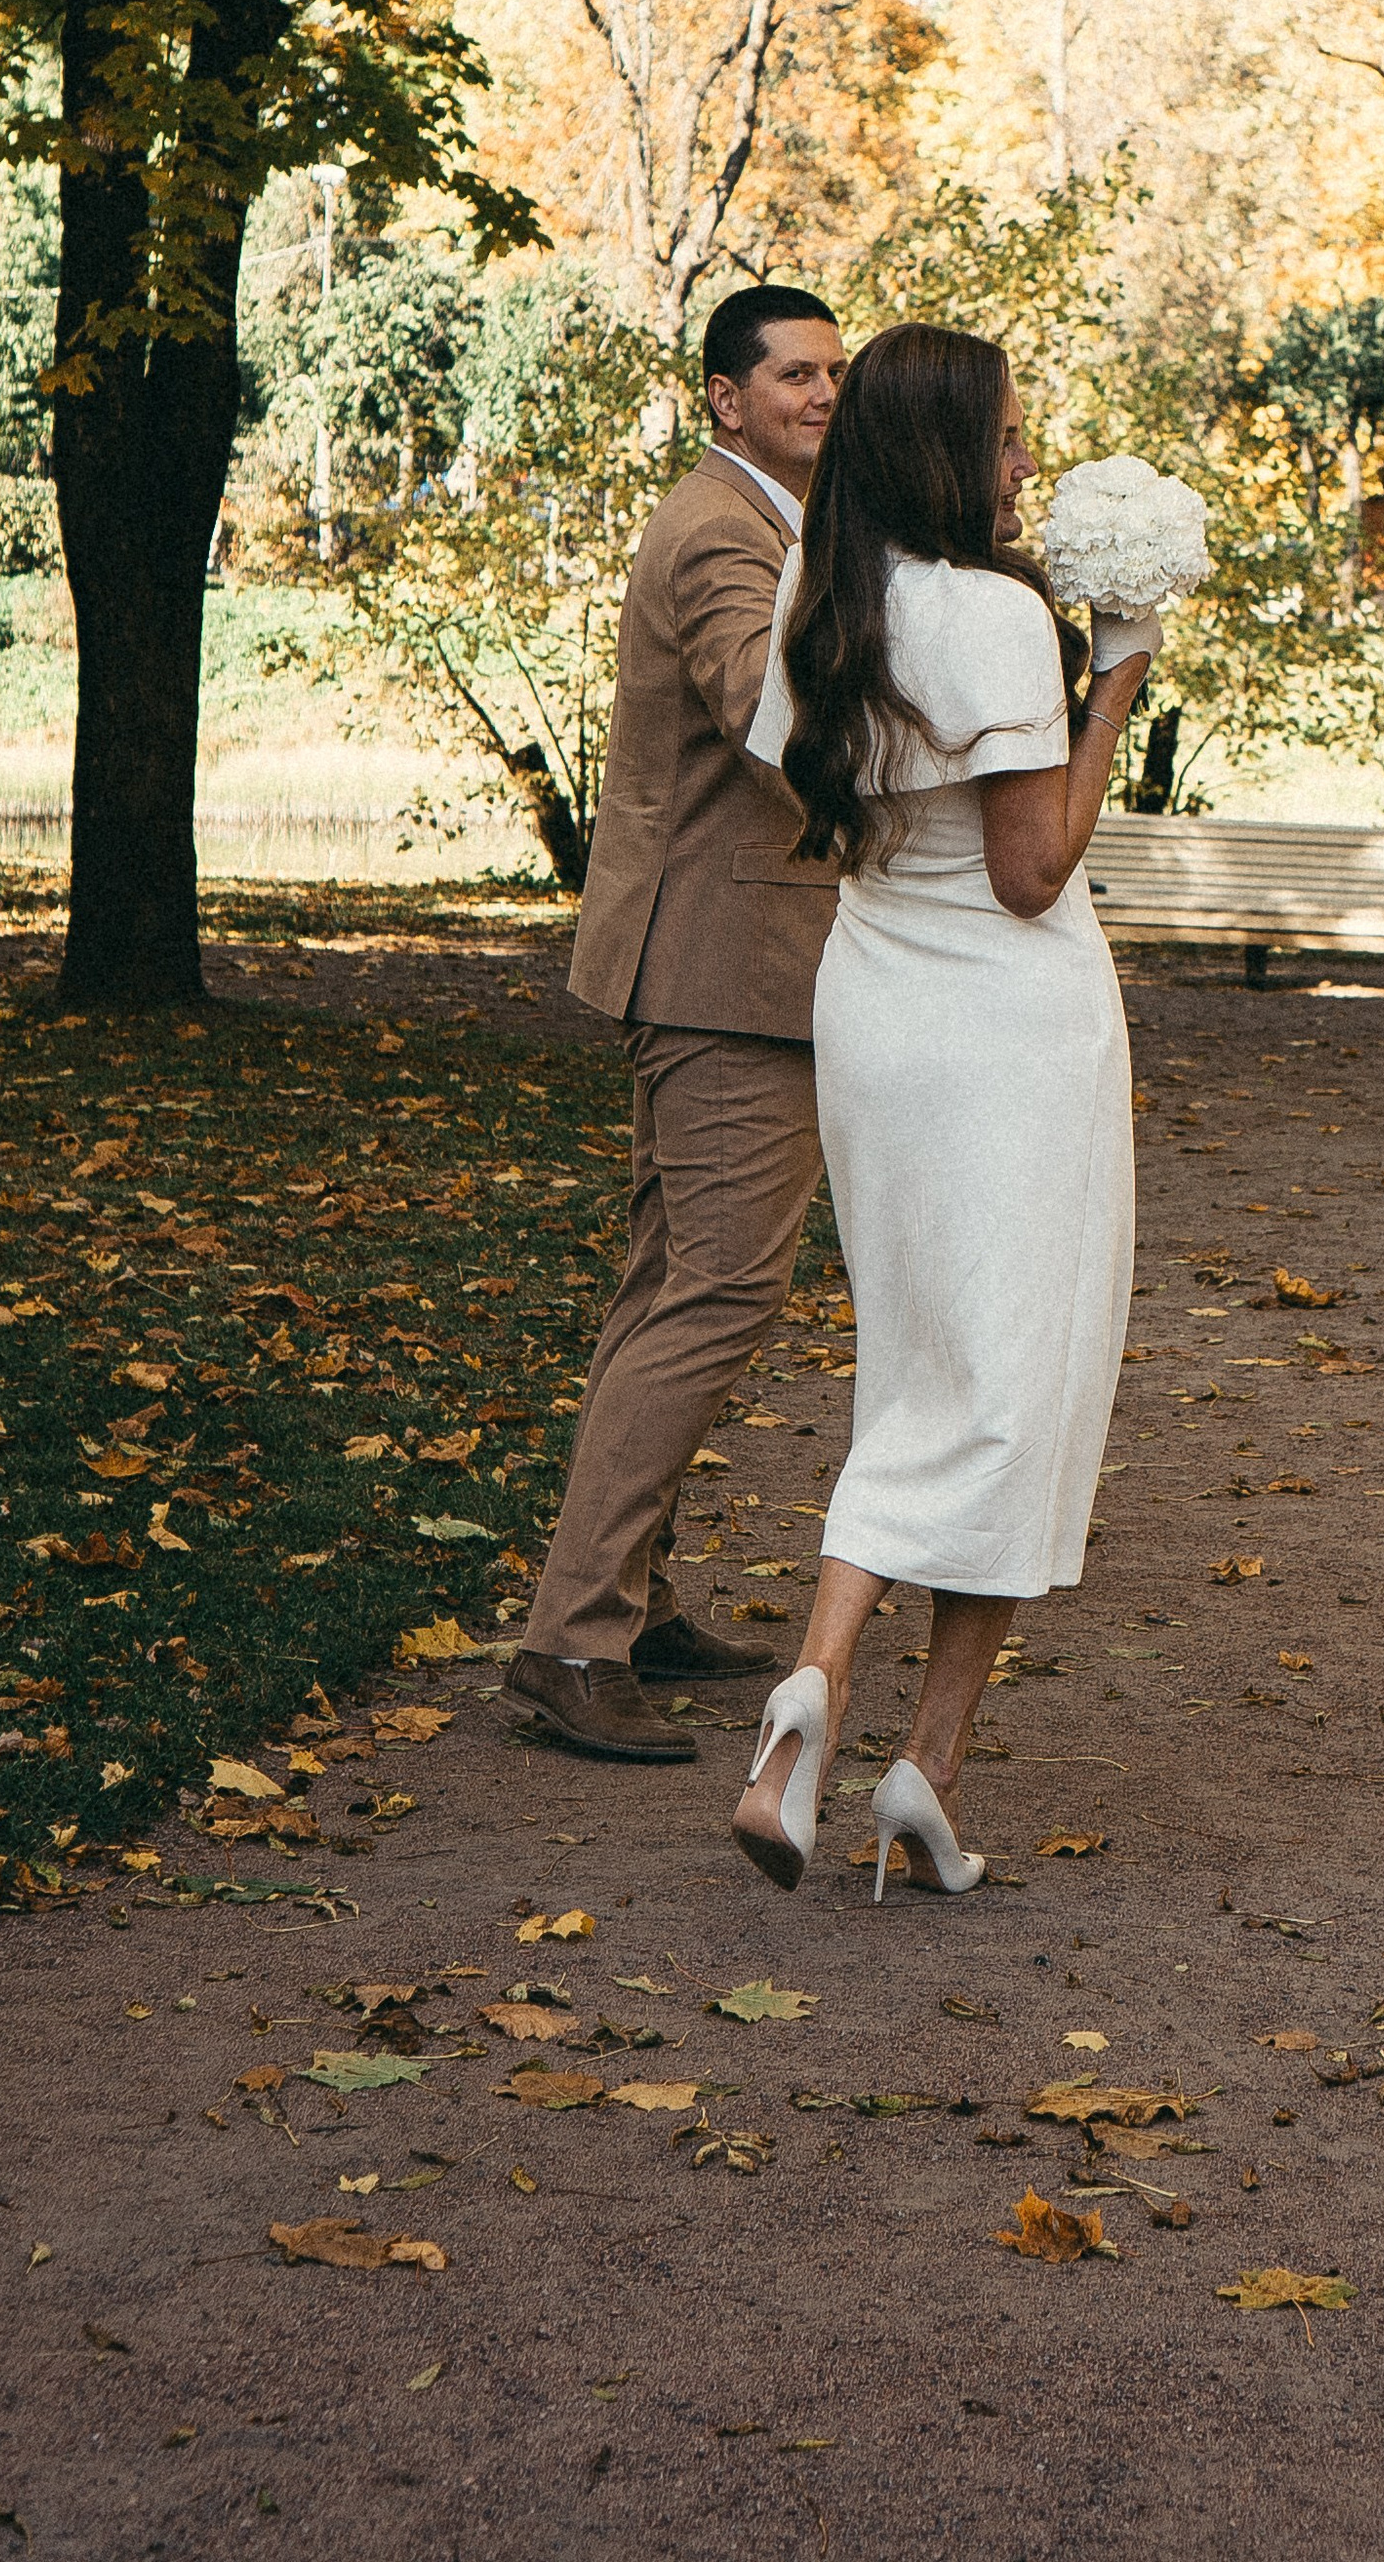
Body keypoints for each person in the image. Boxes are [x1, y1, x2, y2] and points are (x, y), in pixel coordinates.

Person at [727, 324, 1157, 1898]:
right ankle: (910, 1748)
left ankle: (827, 1730)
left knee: (919, 1365)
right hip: (1005, 1027)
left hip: (877, 1001)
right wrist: (1114, 679)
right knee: (1021, 1376)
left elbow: (823, 809)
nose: (1025, 460)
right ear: (944, 453)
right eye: (1005, 437)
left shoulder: (822, 597)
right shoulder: (991, 615)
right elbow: (1035, 870)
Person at [505, 284, 847, 1764]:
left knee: (668, 1293)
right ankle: (573, 1645)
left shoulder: (778, 521)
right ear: (724, 396)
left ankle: (622, 1605)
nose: (824, 395)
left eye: (838, 372)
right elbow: (774, 722)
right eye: (793, 376)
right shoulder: (722, 528)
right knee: (713, 1297)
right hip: (725, 974)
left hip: (727, 964)